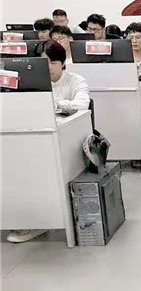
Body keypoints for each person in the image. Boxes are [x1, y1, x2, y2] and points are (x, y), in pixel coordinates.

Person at [6, 41, 90, 244]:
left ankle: (46, 217)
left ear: (62, 63)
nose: (49, 67)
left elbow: (83, 103)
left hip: (67, 135)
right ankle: (28, 216)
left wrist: (57, 104)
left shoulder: (75, 80)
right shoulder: (30, 81)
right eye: (44, 63)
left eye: (53, 62)